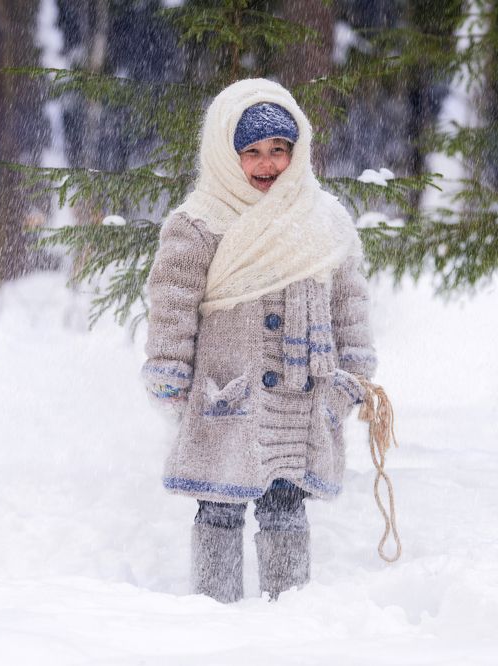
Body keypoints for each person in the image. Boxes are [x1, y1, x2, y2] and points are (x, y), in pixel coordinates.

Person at [142, 78, 377, 602]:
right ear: (227, 154)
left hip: (301, 392)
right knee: (219, 504)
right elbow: (173, 303)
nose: (268, 164)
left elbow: (349, 302)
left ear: (298, 153)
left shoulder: (324, 220)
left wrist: (354, 370)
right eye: (251, 151)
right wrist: (169, 370)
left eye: (279, 150)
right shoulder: (199, 224)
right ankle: (213, 610)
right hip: (230, 392)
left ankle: (287, 610)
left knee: (286, 505)